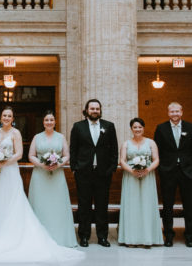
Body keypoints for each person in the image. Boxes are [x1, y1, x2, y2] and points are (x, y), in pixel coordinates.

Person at [0, 107, 85, 263]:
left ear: (13, 118)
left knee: (12, 203)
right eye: (4, 115)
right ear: (0, 118)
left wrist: (4, 163)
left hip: (9, 172)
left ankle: (14, 236)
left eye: (9, 116)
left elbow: (19, 154)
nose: (7, 118)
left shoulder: (16, 133)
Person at [69, 99, 119, 247]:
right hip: (83, 172)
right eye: (92, 108)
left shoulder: (109, 126)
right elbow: (73, 148)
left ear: (100, 110)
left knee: (102, 206)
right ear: (86, 110)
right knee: (84, 206)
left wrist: (112, 168)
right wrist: (74, 167)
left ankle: (102, 236)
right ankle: (84, 236)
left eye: (97, 108)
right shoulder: (78, 127)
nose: (95, 111)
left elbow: (114, 149)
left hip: (103, 173)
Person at [27, 111, 78, 248]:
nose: (49, 122)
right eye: (46, 120)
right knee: (40, 204)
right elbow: (31, 155)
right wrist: (42, 164)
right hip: (40, 175)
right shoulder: (37, 137)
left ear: (55, 122)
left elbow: (67, 155)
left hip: (57, 175)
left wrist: (58, 164)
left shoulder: (61, 137)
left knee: (57, 205)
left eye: (51, 120)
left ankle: (59, 237)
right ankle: (38, 238)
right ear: (43, 122)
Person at [152, 102, 192, 247]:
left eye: (177, 111)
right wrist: (162, 168)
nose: (175, 114)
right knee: (167, 205)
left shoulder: (191, 127)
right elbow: (157, 149)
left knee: (189, 205)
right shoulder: (161, 128)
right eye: (172, 111)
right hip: (168, 171)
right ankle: (169, 235)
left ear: (182, 112)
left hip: (187, 172)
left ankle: (190, 235)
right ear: (168, 113)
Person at [117, 118, 163, 247]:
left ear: (143, 128)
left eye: (140, 127)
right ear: (131, 129)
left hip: (147, 176)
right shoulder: (126, 143)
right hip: (131, 177)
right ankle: (131, 238)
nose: (137, 129)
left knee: (147, 205)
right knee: (132, 206)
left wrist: (147, 169)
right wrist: (132, 171)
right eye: (135, 127)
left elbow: (156, 159)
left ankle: (148, 238)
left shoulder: (151, 142)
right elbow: (122, 161)